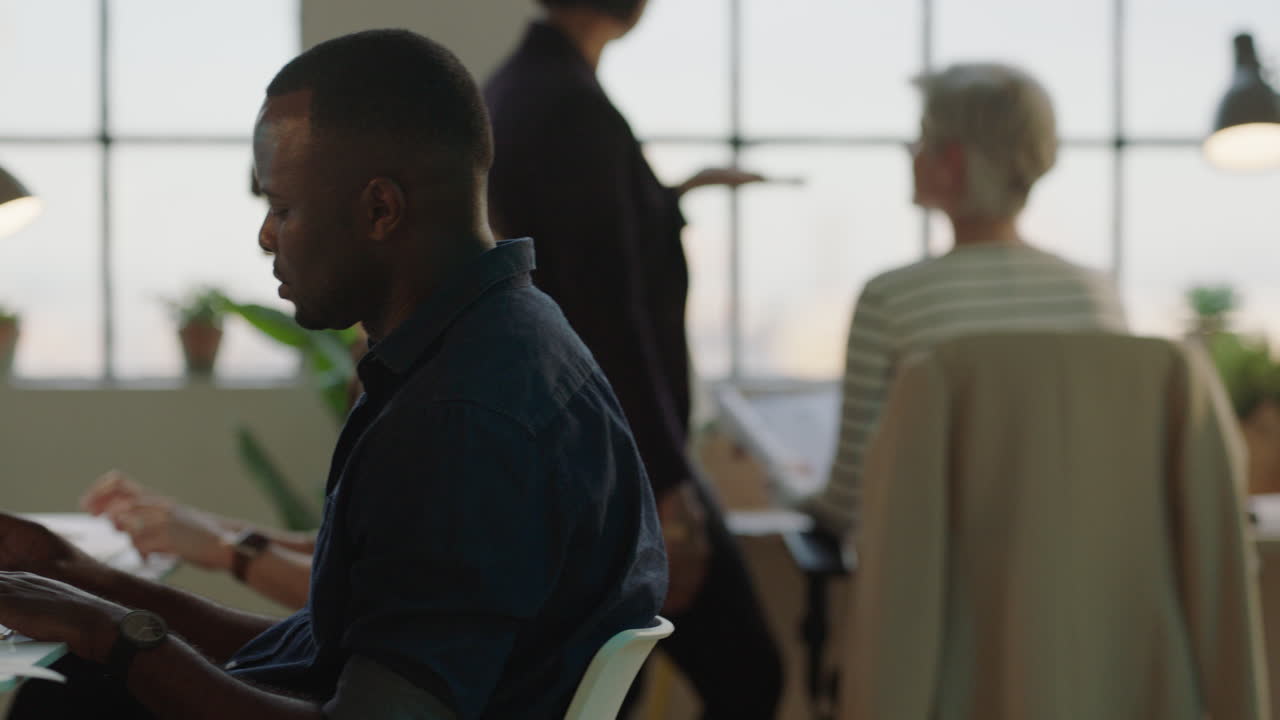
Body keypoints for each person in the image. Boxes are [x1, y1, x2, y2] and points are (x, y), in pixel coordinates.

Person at [0, 28, 666, 719]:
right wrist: (77, 578)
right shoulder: (505, 342)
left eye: (281, 208)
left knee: (65, 701)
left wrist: (108, 634)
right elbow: (323, 653)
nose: (264, 237)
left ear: (380, 208)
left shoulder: (460, 418)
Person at [483, 1, 783, 717]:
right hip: (617, 461)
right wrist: (670, 488)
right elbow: (605, 311)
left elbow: (576, 248)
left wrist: (667, 197)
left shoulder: (523, 87)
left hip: (584, 454)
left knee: (611, 684)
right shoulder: (570, 108)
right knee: (746, 676)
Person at [797, 63, 1130, 538]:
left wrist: (790, 492)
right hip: (1082, 585)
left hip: (937, 594)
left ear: (949, 162)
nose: (911, 153)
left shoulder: (890, 300)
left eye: (920, 138)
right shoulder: (1097, 294)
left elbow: (849, 501)